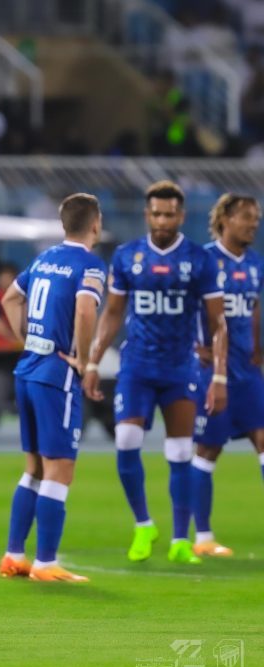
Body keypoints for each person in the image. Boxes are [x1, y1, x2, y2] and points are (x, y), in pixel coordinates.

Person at [83, 180, 228, 565]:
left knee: (180, 452)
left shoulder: (200, 260)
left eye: (170, 213)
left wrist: (219, 375)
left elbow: (218, 323)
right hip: (137, 366)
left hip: (182, 368)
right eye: (156, 213)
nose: (163, 220)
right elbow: (112, 313)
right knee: (127, 440)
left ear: (181, 216)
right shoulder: (128, 256)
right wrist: (94, 361)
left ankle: (181, 539)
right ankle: (144, 523)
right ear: (147, 215)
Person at [0, 193, 106, 582]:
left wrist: (27, 338)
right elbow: (84, 308)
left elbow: (11, 298)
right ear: (96, 224)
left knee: (34, 469)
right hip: (56, 373)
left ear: (63, 224)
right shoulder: (90, 265)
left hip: (28, 368)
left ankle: (13, 555)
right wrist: (83, 357)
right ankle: (45, 563)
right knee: (60, 469)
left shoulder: (44, 259)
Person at [190, 194, 264, 558]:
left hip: (248, 371)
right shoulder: (204, 260)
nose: (254, 223)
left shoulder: (254, 263)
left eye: (257, 218)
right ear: (226, 219)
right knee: (208, 449)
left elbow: (253, 307)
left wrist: (258, 348)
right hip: (211, 372)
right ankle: (203, 537)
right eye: (248, 217)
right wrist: (192, 344)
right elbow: (183, 305)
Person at [0, 263, 22, 351]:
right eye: (3, 278)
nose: (5, 281)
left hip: (19, 346)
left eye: (8, 278)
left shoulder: (22, 297)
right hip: (1, 347)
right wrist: (14, 339)